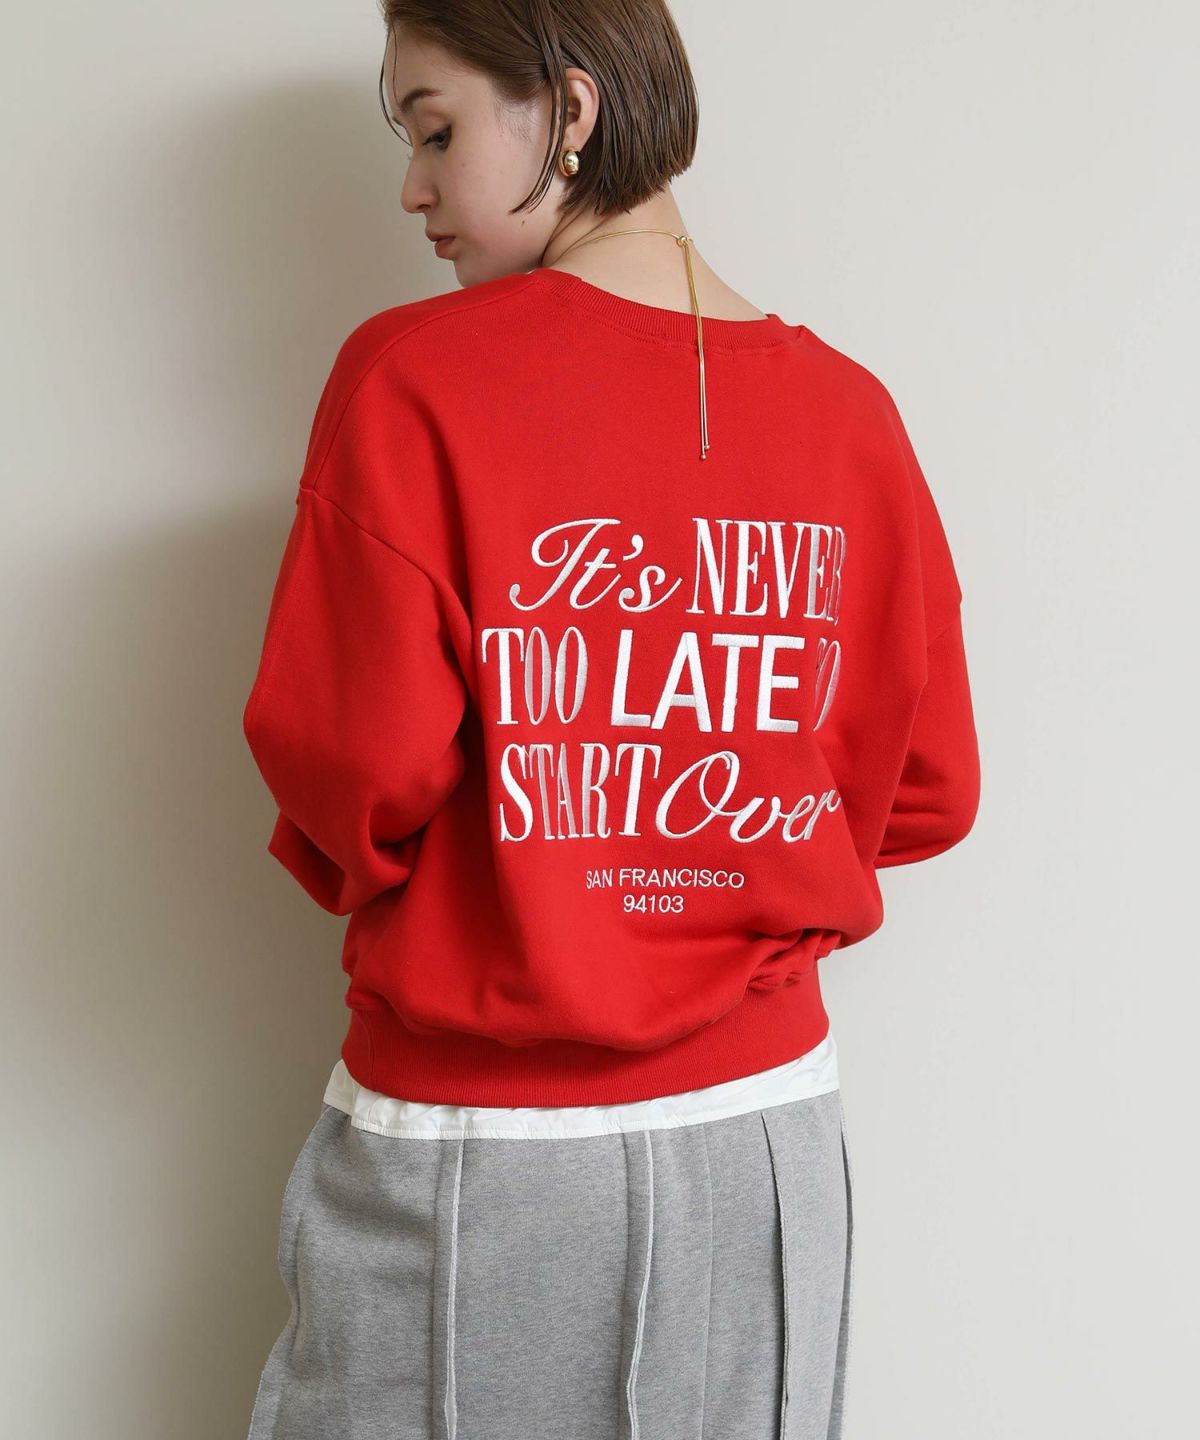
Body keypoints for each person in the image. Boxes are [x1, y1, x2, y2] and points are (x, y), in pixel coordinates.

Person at [240, 3, 981, 1438]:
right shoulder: (852, 416)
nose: (412, 188)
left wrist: (540, 857)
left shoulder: (414, 379)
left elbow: (356, 782)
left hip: (479, 1148)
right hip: (768, 1143)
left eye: (435, 131)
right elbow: (926, 790)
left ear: (570, 112)